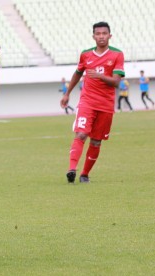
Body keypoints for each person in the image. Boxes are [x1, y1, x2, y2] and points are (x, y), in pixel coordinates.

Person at [60, 21, 124, 184]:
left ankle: (85, 174)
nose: (101, 36)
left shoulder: (117, 54)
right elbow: (77, 73)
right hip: (87, 102)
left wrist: (100, 76)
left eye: (104, 33)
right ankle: (72, 169)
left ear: (110, 36)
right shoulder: (86, 54)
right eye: (98, 34)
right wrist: (67, 94)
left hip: (106, 105)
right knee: (81, 134)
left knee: (96, 141)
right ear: (93, 36)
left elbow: (116, 82)